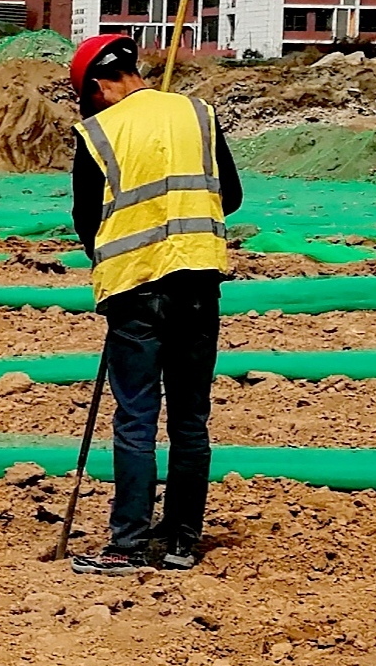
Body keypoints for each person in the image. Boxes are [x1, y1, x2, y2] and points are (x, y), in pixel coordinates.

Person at [65, 30, 243, 577]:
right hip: (199, 283)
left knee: (136, 418)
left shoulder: (98, 132)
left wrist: (115, 258)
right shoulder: (198, 114)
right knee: (190, 419)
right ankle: (181, 542)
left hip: (137, 291)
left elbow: (86, 220)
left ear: (98, 85)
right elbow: (230, 195)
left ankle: (127, 545)